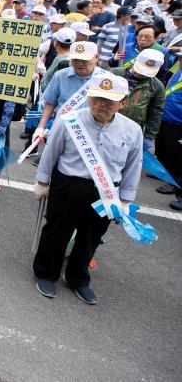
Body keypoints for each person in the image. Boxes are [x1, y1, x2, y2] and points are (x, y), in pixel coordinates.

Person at [33, 74, 143, 305]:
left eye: (109, 100)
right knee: (57, 230)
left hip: (105, 191)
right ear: (89, 97)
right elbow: (50, 153)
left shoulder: (132, 131)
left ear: (122, 102)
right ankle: (45, 273)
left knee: (91, 236)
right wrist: (42, 182)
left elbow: (134, 167)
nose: (101, 104)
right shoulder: (69, 120)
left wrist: (125, 200)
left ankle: (78, 278)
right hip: (68, 184)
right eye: (97, 98)